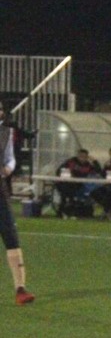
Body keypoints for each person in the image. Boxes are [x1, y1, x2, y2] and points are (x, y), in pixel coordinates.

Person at [0, 105, 35, 305]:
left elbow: (10, 158)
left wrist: (7, 168)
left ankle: (20, 289)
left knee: (10, 236)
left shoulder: (6, 132)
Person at [54, 148, 103, 217]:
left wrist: (94, 161)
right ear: (77, 155)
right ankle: (63, 211)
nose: (82, 158)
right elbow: (59, 170)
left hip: (79, 186)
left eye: (84, 157)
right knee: (66, 192)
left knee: (81, 193)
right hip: (66, 184)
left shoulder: (88, 165)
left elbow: (99, 171)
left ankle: (72, 211)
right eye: (80, 156)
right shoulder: (71, 161)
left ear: (87, 157)